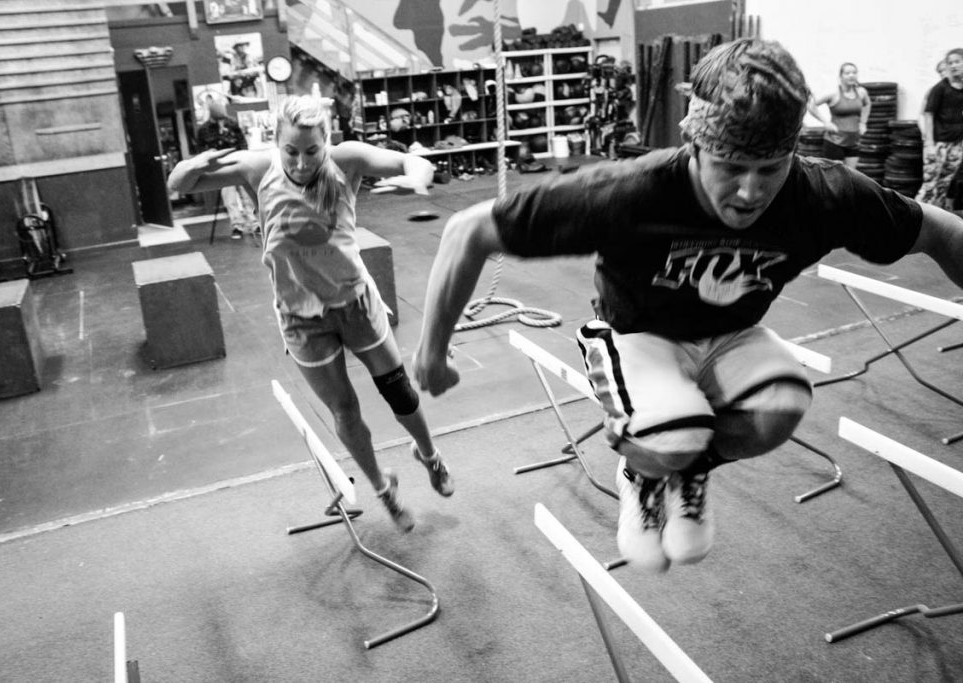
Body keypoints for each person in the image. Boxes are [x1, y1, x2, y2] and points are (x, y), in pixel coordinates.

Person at [412, 38, 963, 573]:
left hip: (731, 338)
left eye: (769, 169)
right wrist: (432, 353)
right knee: (671, 435)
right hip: (636, 336)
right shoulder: (632, 192)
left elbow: (941, 230)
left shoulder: (823, 194)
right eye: (730, 166)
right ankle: (643, 473)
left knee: (782, 406)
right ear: (696, 146)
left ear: (791, 154)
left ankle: (689, 466)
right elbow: (469, 231)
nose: (749, 192)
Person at [168, 95, 452, 531]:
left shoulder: (347, 160)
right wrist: (198, 162)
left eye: (312, 152)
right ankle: (382, 488)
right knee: (344, 409)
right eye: (291, 152)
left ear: (327, 142)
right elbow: (179, 184)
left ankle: (429, 456)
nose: (301, 164)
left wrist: (415, 180)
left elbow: (411, 162)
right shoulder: (258, 169)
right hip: (301, 319)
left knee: (398, 392)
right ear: (277, 144)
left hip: (355, 303)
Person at [195, 95, 259, 239]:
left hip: (238, 163)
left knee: (247, 196)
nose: (221, 121)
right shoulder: (204, 130)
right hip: (221, 167)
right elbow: (201, 150)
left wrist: (244, 157)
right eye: (219, 119)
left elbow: (243, 143)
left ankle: (255, 223)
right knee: (229, 199)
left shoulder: (232, 123)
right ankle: (237, 226)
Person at [916, 48, 963, 211]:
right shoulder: (939, 88)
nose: (954, 65)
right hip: (938, 144)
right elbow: (927, 115)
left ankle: (938, 222)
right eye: (950, 63)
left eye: (957, 61)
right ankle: (916, 217)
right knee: (929, 186)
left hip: (957, 144)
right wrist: (929, 143)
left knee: (944, 184)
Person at [806, 62, 870, 169]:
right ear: (840, 77)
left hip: (853, 141)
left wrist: (863, 122)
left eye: (854, 72)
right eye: (847, 73)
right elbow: (811, 105)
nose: (851, 75)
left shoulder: (861, 92)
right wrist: (825, 122)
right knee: (836, 177)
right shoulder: (833, 93)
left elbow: (867, 104)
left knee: (851, 176)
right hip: (835, 142)